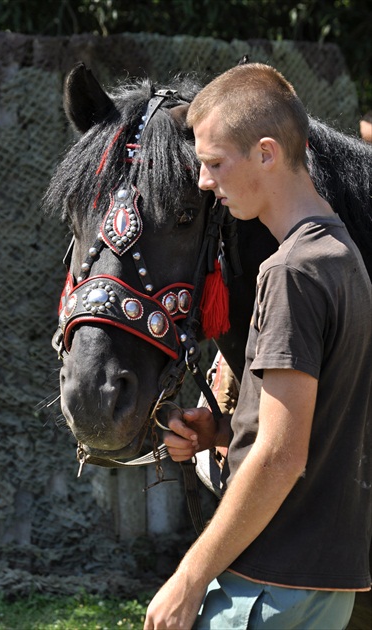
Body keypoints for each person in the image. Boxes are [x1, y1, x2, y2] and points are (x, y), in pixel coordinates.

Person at [144, 63, 372, 630]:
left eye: (215, 162)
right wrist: (224, 432)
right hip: (325, 589)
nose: (203, 180)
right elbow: (327, 425)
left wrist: (189, 577)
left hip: (268, 587)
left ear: (267, 153)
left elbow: (280, 456)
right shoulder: (344, 258)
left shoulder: (291, 272)